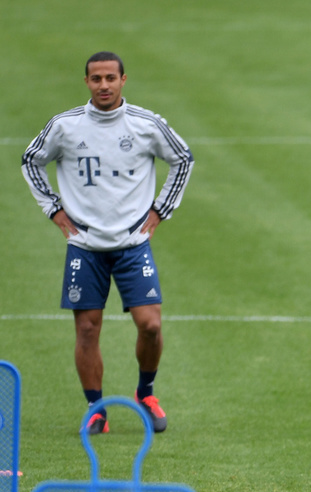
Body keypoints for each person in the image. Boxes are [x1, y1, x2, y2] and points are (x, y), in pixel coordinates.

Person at [22, 52, 194, 435]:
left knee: (150, 325)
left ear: (123, 80)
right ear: (86, 82)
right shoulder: (64, 126)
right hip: (85, 245)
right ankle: (96, 409)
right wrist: (53, 209)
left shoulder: (146, 124)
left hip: (133, 243)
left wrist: (161, 210)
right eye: (96, 78)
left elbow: (182, 158)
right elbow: (31, 160)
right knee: (87, 330)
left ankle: (145, 394)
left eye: (110, 78)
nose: (104, 85)